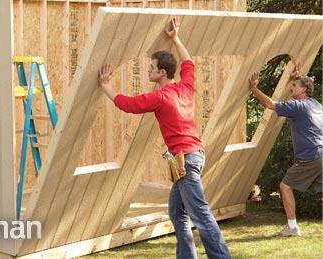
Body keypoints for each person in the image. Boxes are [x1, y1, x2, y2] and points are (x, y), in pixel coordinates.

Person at [99, 18, 231, 259]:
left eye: (151, 67)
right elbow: (188, 61)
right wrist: (176, 37)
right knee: (177, 213)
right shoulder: (186, 86)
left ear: (161, 72)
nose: (148, 70)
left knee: (201, 215)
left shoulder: (160, 97)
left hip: (186, 160)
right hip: (191, 156)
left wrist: (106, 86)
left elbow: (128, 104)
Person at [249, 66, 323, 237]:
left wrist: (254, 89)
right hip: (321, 154)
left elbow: (270, 104)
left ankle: (292, 227)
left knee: (285, 186)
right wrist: (293, 79)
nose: (291, 88)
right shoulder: (316, 105)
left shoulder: (299, 106)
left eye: (295, 86)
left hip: (311, 157)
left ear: (303, 89)